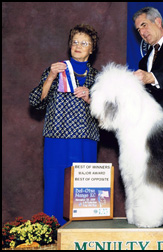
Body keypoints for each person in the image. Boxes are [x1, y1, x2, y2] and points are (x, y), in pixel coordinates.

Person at [29, 24, 100, 226]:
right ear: (70, 45)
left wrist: (90, 98)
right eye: (75, 42)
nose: (78, 46)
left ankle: (84, 233)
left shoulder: (98, 76)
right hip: (56, 137)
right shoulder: (56, 69)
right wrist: (50, 77)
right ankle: (53, 231)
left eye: (84, 43)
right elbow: (36, 101)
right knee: (55, 184)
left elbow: (107, 112)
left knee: (84, 190)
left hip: (86, 139)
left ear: (91, 49)